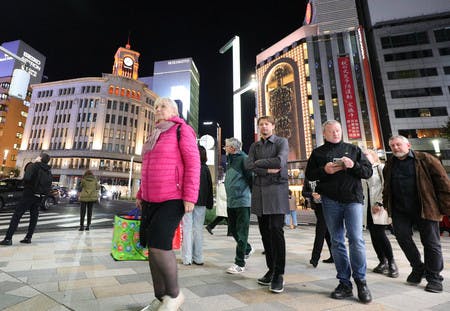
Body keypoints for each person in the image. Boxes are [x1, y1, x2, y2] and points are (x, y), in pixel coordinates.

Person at [136, 97, 200, 311]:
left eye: (163, 106)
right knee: (151, 248)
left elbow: (193, 163)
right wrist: (140, 192)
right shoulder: (154, 134)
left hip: (173, 197)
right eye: (156, 107)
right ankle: (160, 296)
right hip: (149, 199)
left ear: (173, 110)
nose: (158, 109)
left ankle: (174, 295)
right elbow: (146, 167)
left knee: (160, 245)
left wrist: (190, 196)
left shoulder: (182, 130)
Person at [304, 120, 373, 304]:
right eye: (331, 131)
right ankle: (344, 282)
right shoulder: (318, 152)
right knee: (337, 241)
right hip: (330, 200)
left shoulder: (353, 149)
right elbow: (310, 174)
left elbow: (367, 172)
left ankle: (361, 281)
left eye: (338, 130)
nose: (335, 133)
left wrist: (354, 166)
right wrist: (324, 170)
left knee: (356, 239)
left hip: (353, 200)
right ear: (324, 134)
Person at [382, 135, 450, 293]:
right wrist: (387, 206)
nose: (395, 148)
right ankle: (418, 267)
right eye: (392, 146)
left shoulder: (425, 159)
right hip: (400, 210)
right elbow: (387, 187)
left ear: (408, 145)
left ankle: (434, 277)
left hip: (425, 208)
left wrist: (446, 208)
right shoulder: (390, 164)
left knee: (431, 243)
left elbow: (443, 184)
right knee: (402, 238)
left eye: (398, 144)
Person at [245, 115, 289, 293]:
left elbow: (280, 162)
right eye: (261, 124)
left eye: (267, 124)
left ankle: (279, 274)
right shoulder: (254, 146)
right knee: (265, 234)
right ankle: (271, 269)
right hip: (260, 193)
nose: (264, 127)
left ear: (273, 126)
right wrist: (265, 169)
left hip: (277, 192)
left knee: (276, 231)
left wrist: (258, 164)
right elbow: (248, 166)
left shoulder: (281, 142)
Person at [1, 153, 52, 246]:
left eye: (38, 156)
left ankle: (8, 238)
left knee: (17, 215)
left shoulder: (33, 166)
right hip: (39, 195)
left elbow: (27, 178)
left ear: (40, 158)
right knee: (34, 216)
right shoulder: (48, 171)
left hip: (29, 193)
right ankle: (28, 237)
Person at [362, 149, 398, 278]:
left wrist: (380, 203)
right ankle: (382, 261)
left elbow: (387, 186)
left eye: (366, 154)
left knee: (380, 234)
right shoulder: (362, 171)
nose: (364, 156)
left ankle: (391, 262)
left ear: (373, 156)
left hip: (379, 207)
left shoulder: (381, 168)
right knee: (374, 235)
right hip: (366, 208)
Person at [223, 137, 254, 274]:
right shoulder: (230, 160)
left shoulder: (244, 159)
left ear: (232, 148)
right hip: (231, 201)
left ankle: (239, 263)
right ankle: (247, 248)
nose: (225, 149)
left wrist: (251, 195)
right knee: (233, 230)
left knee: (241, 232)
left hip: (242, 201)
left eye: (226, 147)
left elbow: (251, 178)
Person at [181, 145, 213, 266]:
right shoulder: (205, 169)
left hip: (188, 201)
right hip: (202, 203)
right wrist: (209, 203)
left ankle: (187, 258)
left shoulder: (189, 167)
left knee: (187, 228)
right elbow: (210, 187)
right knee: (198, 229)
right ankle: (198, 257)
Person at [302, 178, 333, 268]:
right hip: (317, 207)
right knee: (326, 232)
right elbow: (304, 192)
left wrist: (321, 195)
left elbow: (331, 189)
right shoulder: (308, 178)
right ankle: (334, 256)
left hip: (327, 206)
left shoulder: (324, 174)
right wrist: (312, 194)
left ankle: (314, 258)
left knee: (320, 231)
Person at [205, 168, 229, 235]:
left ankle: (210, 226)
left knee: (223, 217)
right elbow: (224, 196)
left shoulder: (221, 184)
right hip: (224, 204)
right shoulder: (222, 185)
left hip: (224, 204)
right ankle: (230, 231)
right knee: (226, 217)